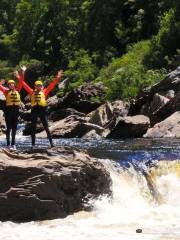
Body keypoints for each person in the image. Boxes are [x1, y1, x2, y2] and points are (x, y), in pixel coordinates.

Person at [21, 69, 63, 148]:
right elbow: (23, 84)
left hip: (42, 111)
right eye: (37, 85)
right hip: (34, 110)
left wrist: (58, 77)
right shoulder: (31, 92)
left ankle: (51, 144)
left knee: (46, 127)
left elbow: (52, 85)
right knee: (33, 128)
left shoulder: (44, 91)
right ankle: (33, 145)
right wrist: (21, 74)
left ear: (41, 86)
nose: (38, 87)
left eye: (40, 85)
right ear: (35, 86)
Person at [0, 70, 24, 149]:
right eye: (10, 84)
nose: (11, 85)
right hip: (8, 111)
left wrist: (22, 72)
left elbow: (21, 81)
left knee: (14, 128)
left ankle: (13, 144)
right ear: (8, 85)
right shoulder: (6, 91)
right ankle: (8, 144)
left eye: (13, 84)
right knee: (8, 128)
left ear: (14, 85)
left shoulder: (18, 90)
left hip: (16, 111)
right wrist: (1, 82)